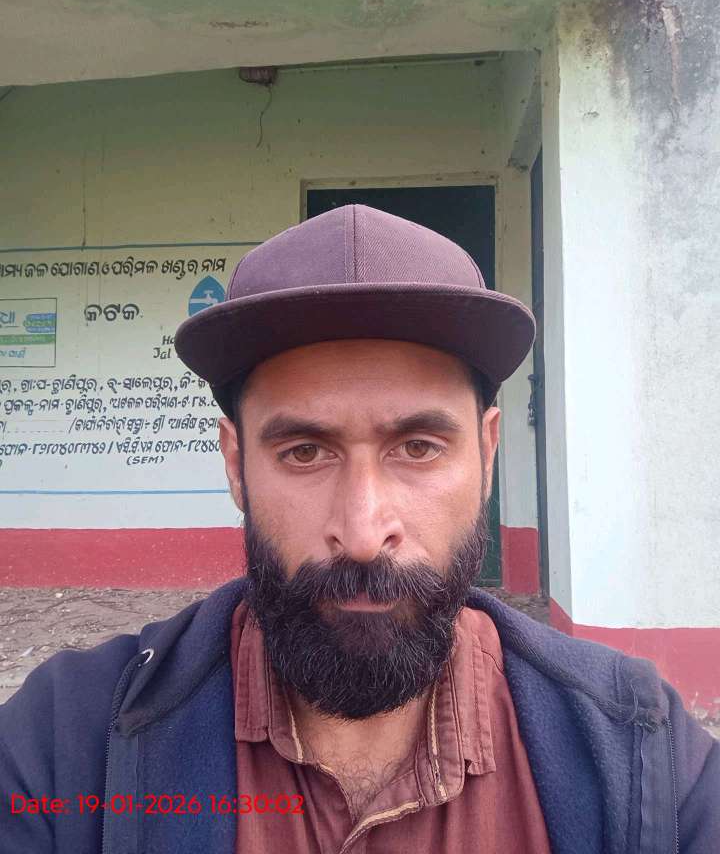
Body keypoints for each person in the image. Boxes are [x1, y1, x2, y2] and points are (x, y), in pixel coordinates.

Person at [0, 204, 717, 853]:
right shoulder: (66, 743)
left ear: (487, 452)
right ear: (236, 464)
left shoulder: (642, 752)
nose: (364, 532)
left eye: (418, 447)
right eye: (304, 452)